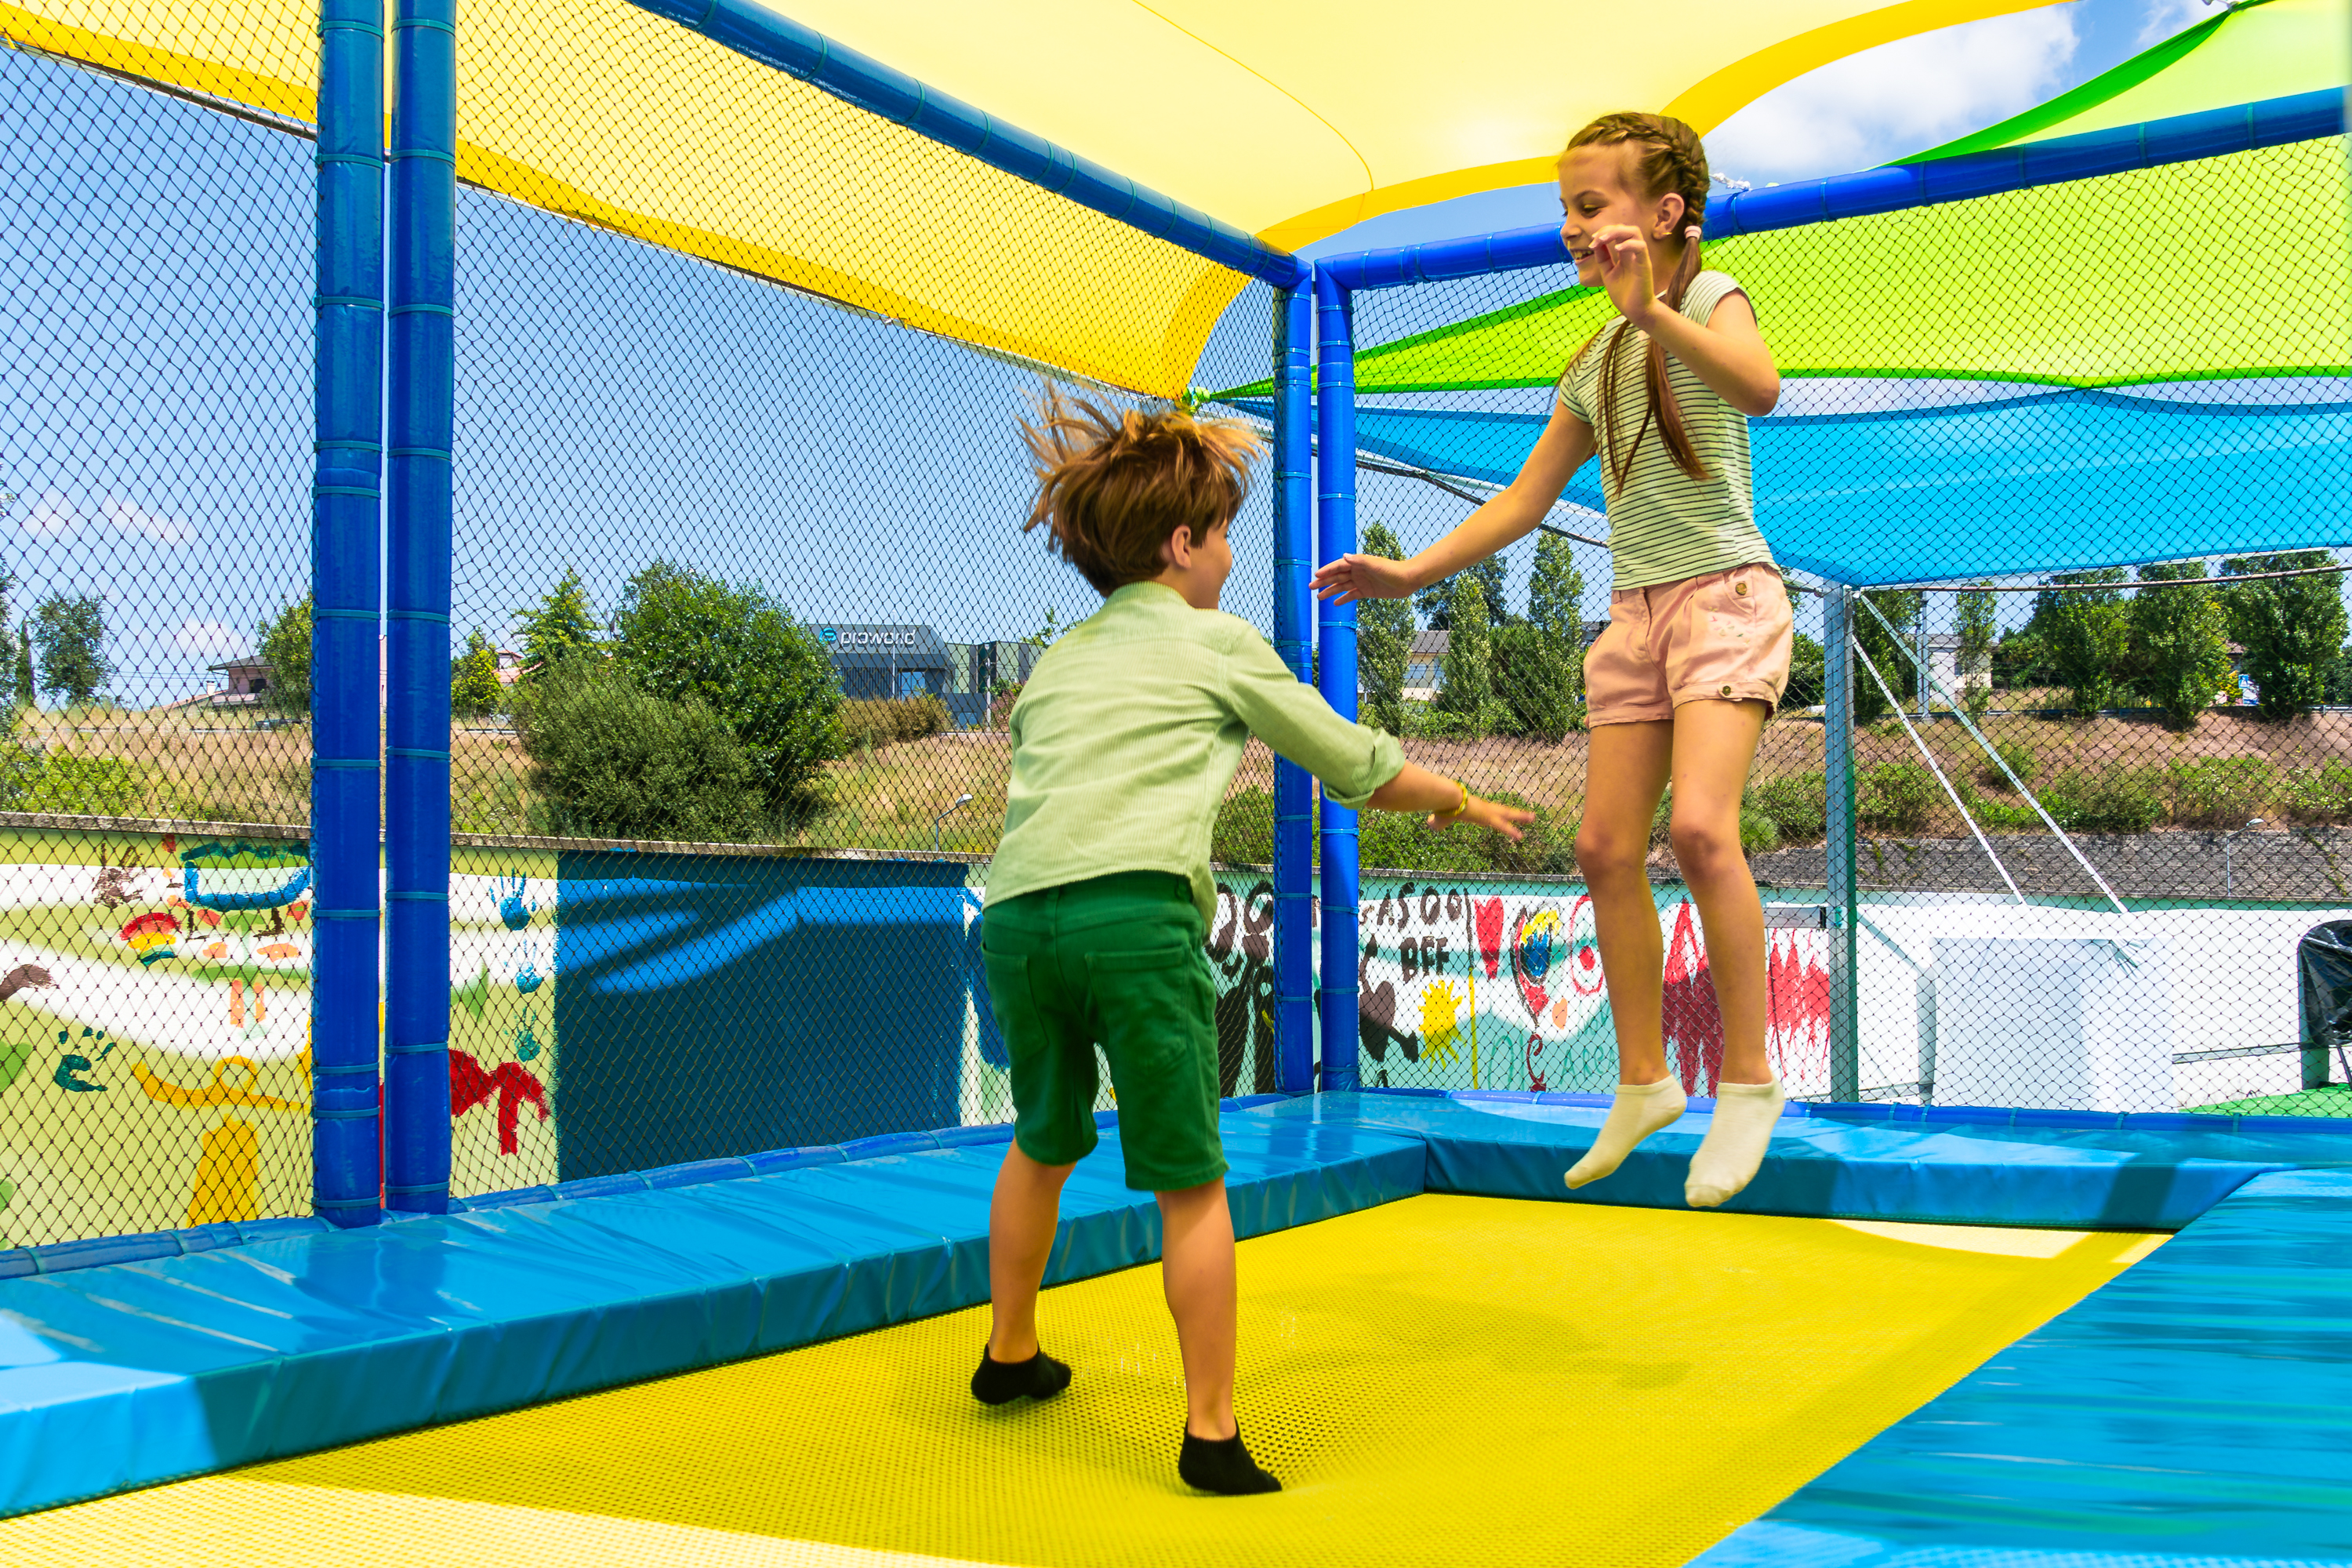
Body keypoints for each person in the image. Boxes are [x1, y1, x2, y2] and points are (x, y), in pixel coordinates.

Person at [976, 392, 1533, 1495]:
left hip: (1018, 917)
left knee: (1042, 1139)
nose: (1230, 553)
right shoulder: (1216, 643)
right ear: (1182, 548)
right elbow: (1346, 757)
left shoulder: (1054, 664)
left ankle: (1009, 1356)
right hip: (1133, 918)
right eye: (1223, 533)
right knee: (1189, 1183)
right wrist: (1455, 800)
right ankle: (1213, 1432)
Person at [1311, 111, 1791, 1210]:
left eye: (1589, 206)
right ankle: (1644, 1080)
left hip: (1723, 597)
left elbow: (1759, 388)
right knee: (1603, 846)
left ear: (1664, 215)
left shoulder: (1708, 304)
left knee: (1703, 830)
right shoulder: (1593, 362)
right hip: (1633, 620)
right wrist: (1409, 575)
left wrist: (1656, 313)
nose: (1570, 230)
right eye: (1565, 210)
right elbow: (1525, 504)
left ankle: (1752, 1082)